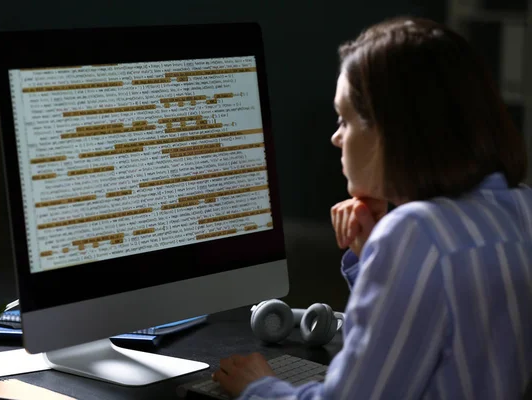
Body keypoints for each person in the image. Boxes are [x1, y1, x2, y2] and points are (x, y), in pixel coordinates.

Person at [212, 16, 532, 399]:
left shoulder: (416, 234)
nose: (336, 138)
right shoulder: (522, 206)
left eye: (344, 119)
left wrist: (258, 387)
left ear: (390, 131)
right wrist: (373, 251)